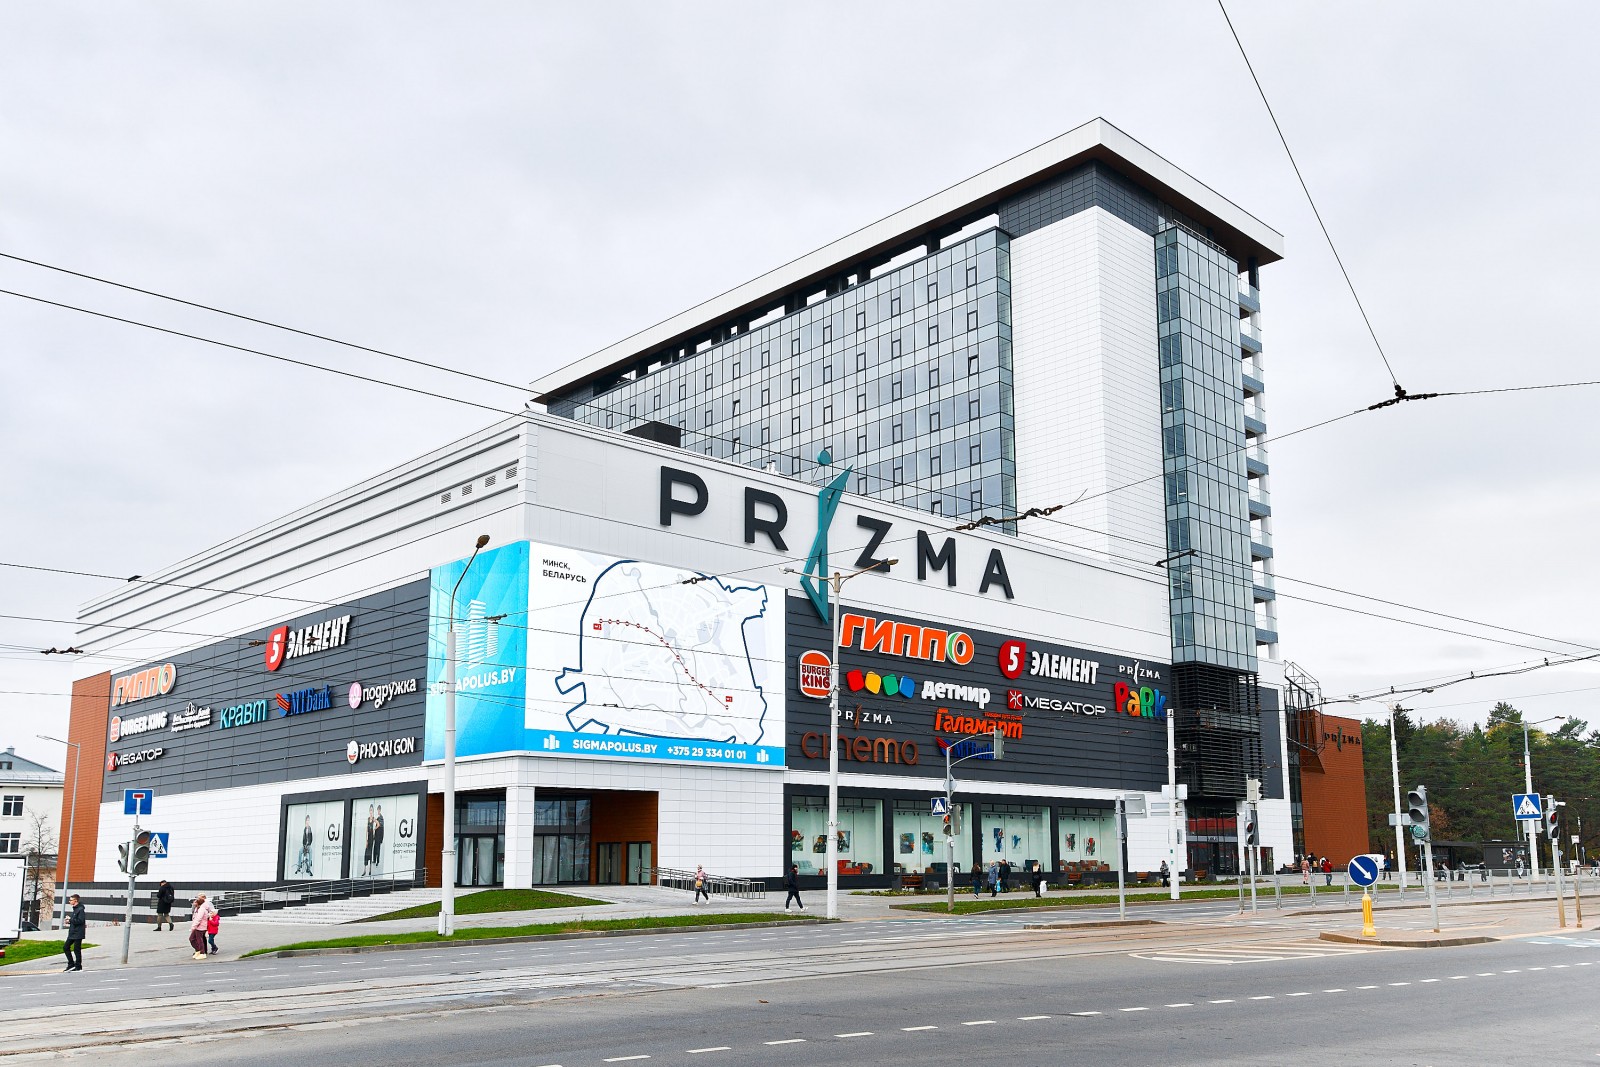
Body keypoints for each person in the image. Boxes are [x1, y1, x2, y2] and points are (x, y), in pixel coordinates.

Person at [189, 894, 217, 960]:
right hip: (198, 926)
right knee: (193, 939)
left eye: (195, 902)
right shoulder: (198, 908)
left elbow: (199, 918)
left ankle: (202, 952)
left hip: (200, 927)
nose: (194, 903)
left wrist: (193, 926)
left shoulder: (202, 909)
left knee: (199, 940)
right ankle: (199, 950)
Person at [63, 894, 85, 972]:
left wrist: (70, 920)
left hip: (78, 933)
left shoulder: (80, 909)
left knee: (76, 949)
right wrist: (69, 921)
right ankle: (71, 964)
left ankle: (78, 966)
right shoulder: (75, 909)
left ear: (75, 901)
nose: (69, 901)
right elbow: (75, 920)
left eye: (71, 900)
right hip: (72, 932)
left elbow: (80, 921)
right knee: (66, 947)